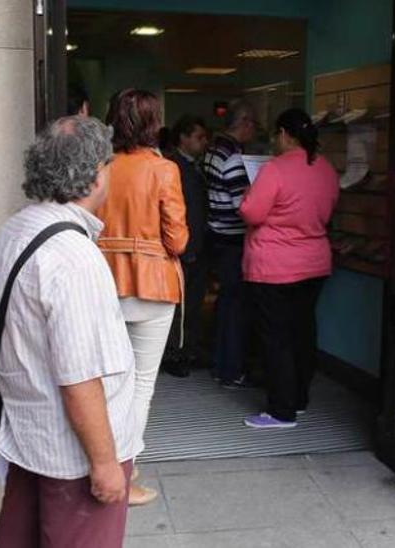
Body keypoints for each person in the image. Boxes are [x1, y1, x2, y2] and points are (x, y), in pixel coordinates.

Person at [0, 116, 140, 547]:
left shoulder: (16, 229)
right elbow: (79, 378)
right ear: (95, 175)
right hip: (71, 457)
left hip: (28, 436)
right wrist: (106, 464)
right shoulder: (73, 257)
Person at [96, 89, 189, 506]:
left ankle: (97, 463)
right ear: (154, 123)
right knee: (141, 384)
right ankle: (123, 476)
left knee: (103, 380)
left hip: (102, 281)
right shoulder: (163, 169)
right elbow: (178, 239)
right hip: (152, 285)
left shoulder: (97, 167)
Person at [239, 108, 341, 429]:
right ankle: (299, 400)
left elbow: (252, 213)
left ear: (284, 134)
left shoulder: (275, 169)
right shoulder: (325, 168)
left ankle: (281, 410)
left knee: (276, 338)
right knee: (303, 331)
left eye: (274, 135)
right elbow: (328, 209)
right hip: (314, 263)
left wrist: (246, 197)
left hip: (275, 267)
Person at [202, 99, 259, 389]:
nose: (255, 130)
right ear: (244, 122)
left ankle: (220, 365)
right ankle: (231, 369)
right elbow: (244, 206)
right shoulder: (235, 158)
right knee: (236, 308)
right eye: (253, 123)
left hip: (216, 234)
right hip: (233, 238)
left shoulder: (213, 149)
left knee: (226, 304)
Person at [163, 115, 211, 374]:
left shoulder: (194, 166)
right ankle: (174, 354)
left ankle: (188, 349)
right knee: (179, 306)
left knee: (193, 303)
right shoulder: (174, 167)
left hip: (198, 244)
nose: (204, 143)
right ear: (183, 138)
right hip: (183, 245)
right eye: (199, 137)